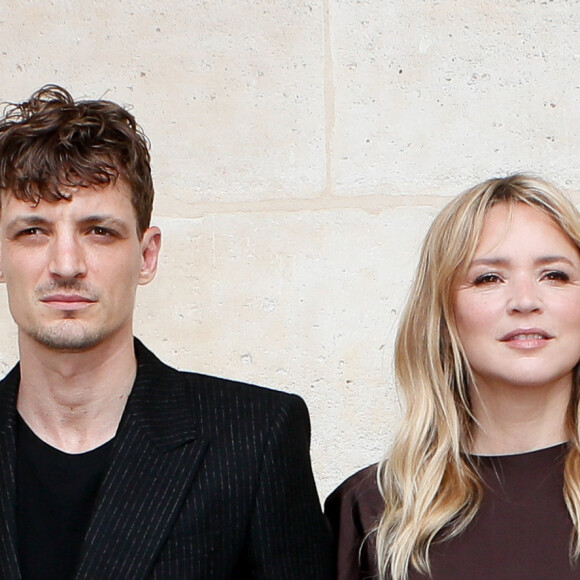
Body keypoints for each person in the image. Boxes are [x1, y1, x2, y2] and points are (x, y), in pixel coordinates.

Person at [0, 85, 332, 579]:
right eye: (33, 231)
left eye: (99, 231)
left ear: (147, 255)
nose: (65, 264)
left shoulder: (255, 438)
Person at [325, 174, 580, 580]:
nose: (526, 301)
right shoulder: (374, 507)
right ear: (443, 316)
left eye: (555, 275)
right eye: (488, 278)